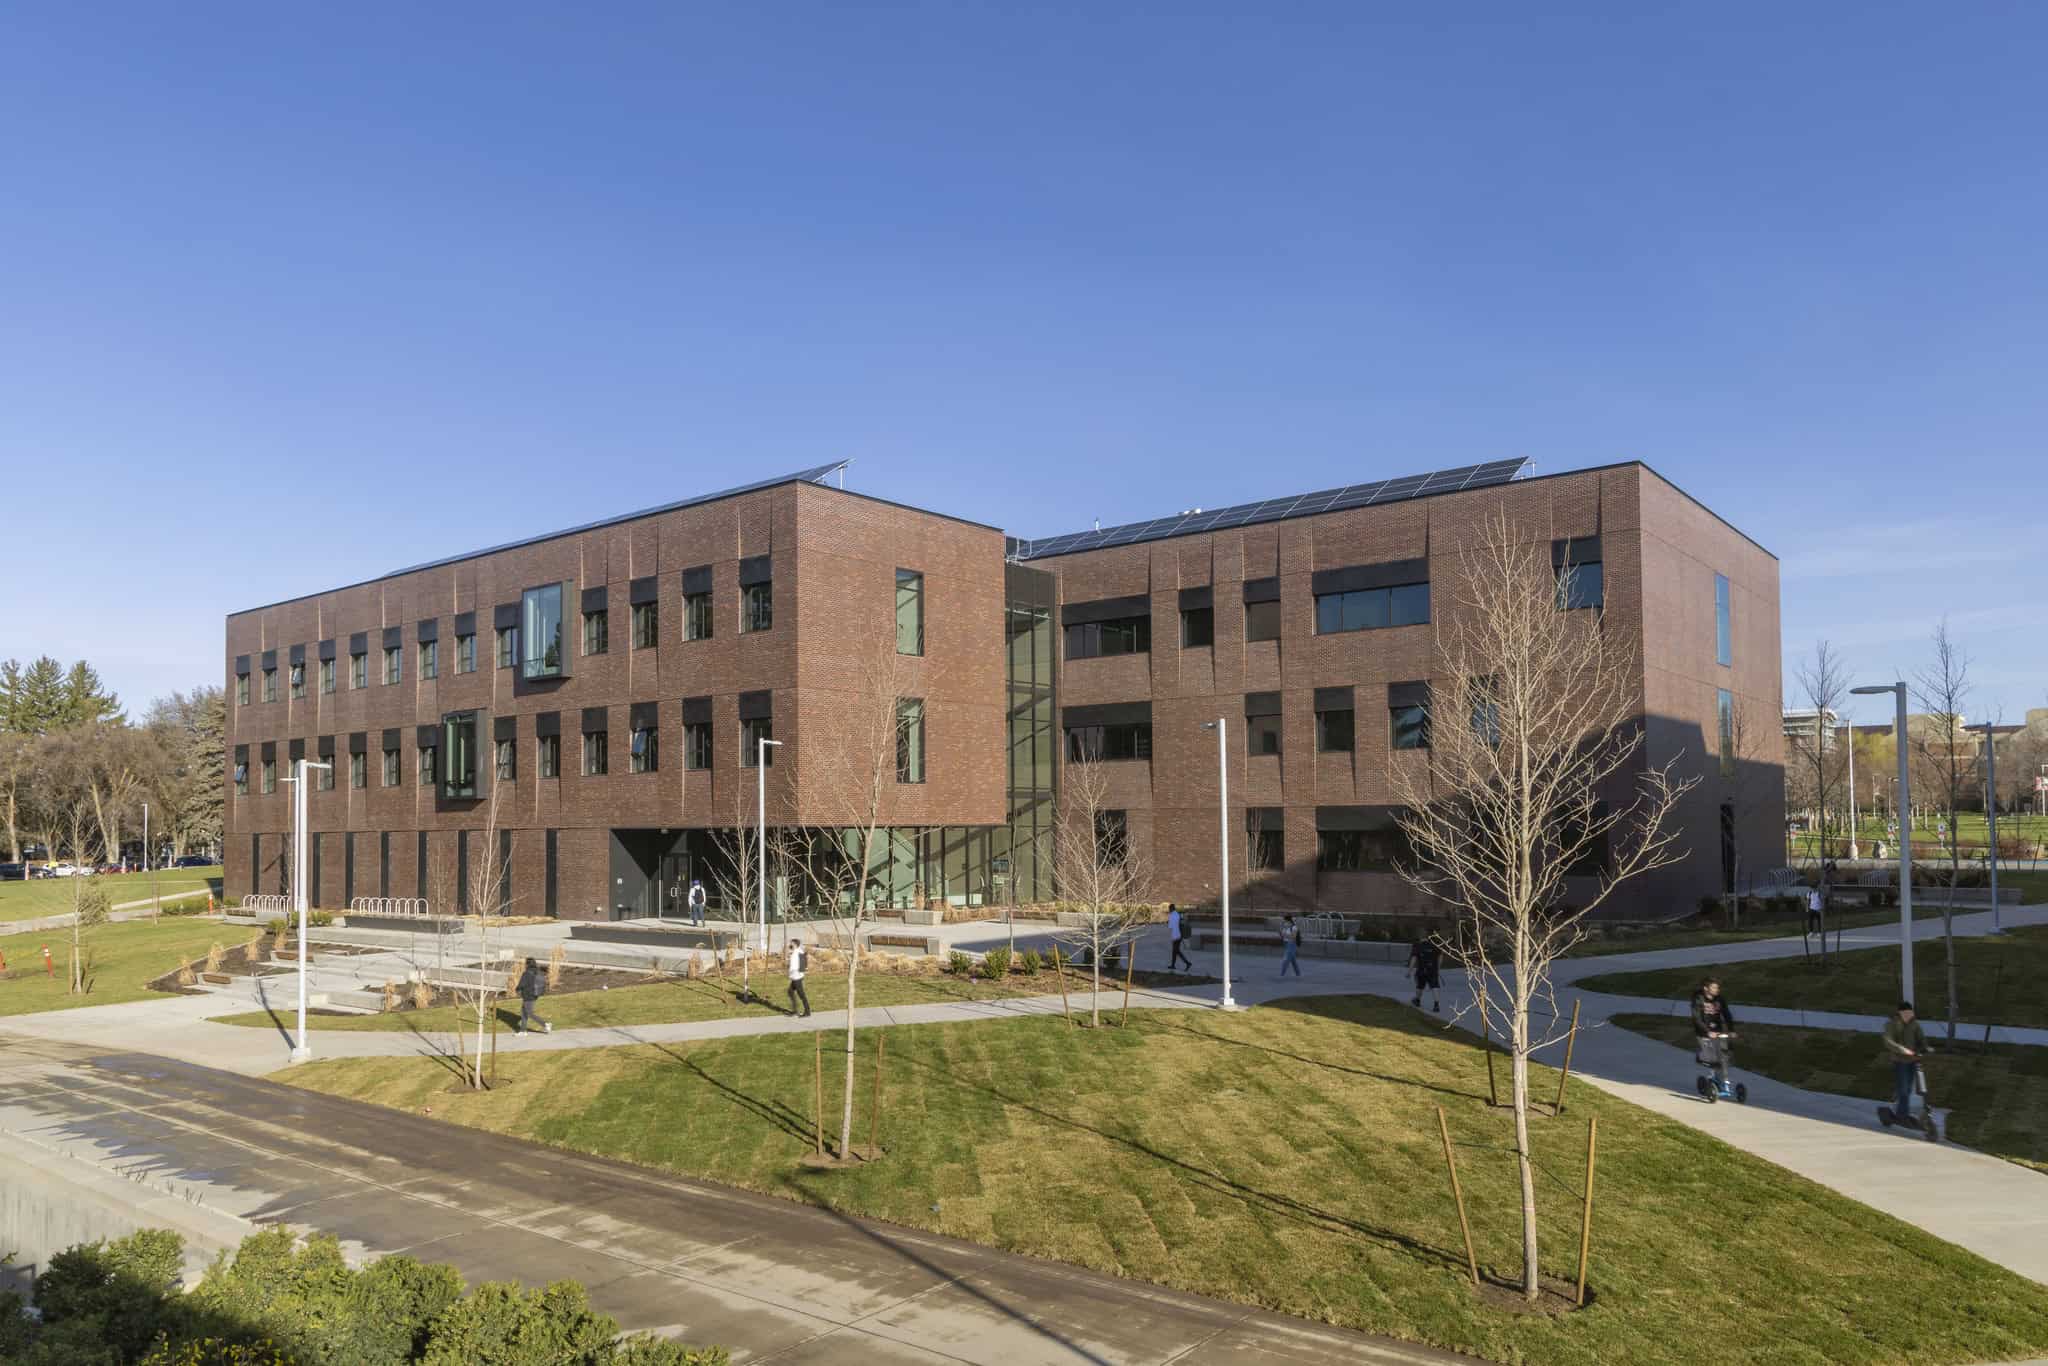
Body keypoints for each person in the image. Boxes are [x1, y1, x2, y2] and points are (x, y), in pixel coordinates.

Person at [1883, 1000, 1927, 1125]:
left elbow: (1921, 1038)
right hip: (1900, 1061)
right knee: (1904, 1089)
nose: (1908, 1015)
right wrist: (1901, 1049)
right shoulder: (1892, 1024)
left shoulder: (1915, 1024)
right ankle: (1902, 1115)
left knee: (1908, 1089)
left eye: (1910, 1012)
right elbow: (1888, 1041)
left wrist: (1925, 1047)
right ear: (1899, 1012)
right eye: (1905, 1013)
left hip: (1913, 1061)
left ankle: (1901, 1111)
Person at [1690, 976, 1736, 1093]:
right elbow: (1696, 1018)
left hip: (1718, 1031)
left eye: (1717, 987)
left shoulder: (1720, 999)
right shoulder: (1698, 999)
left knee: (1723, 1056)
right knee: (1711, 1058)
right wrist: (1707, 1031)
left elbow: (1727, 1014)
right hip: (1703, 1032)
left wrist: (1731, 1030)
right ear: (1706, 988)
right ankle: (1711, 1080)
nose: (1717, 989)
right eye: (1714, 987)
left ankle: (1723, 1082)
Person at [514, 956, 552, 1034]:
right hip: (535, 994)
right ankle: (523, 1031)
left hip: (528, 995)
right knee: (524, 1012)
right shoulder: (537, 971)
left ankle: (545, 1024)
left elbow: (522, 984)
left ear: (527, 964)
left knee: (529, 1013)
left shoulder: (527, 973)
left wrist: (517, 989)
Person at [1406, 936, 1442, 1012]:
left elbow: (1414, 959)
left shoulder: (1417, 946)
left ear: (1420, 938)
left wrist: (1409, 971)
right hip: (1433, 970)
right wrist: (1438, 968)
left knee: (1420, 986)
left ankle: (1417, 1000)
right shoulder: (1435, 945)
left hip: (1422, 970)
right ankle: (1436, 1005)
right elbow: (1440, 956)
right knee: (1435, 986)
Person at [787, 935, 812, 1018]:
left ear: (795, 944)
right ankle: (795, 1010)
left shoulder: (795, 954)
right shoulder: (800, 951)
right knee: (790, 991)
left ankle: (807, 1011)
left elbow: (793, 967)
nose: (789, 945)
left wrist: (789, 974)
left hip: (796, 977)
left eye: (791, 944)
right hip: (799, 976)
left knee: (801, 994)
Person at [1167, 903, 1193, 972]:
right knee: (1174, 951)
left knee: (1176, 951)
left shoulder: (1172, 915)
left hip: (1175, 935)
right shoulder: (1178, 914)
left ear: (1171, 909)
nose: (1169, 910)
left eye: (1169, 909)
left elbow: (1170, 927)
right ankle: (1173, 965)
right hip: (1180, 935)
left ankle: (1187, 963)